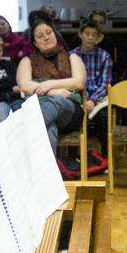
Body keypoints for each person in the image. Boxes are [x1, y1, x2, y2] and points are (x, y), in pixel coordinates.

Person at [15, 16, 85, 156]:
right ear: (34, 42)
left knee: (56, 102)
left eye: (49, 33)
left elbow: (79, 82)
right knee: (48, 128)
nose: (46, 37)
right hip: (45, 110)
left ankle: (17, 133)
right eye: (40, 36)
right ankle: (47, 176)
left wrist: (49, 84)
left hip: (69, 110)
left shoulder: (72, 57)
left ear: (55, 34)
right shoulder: (27, 61)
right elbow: (24, 86)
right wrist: (54, 91)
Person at [70, 17, 112, 155]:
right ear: (80, 34)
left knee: (104, 117)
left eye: (94, 35)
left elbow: (105, 83)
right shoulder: (71, 56)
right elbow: (69, 81)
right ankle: (74, 157)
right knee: (70, 114)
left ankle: (105, 156)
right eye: (87, 34)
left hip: (97, 99)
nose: (90, 38)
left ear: (98, 38)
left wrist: (92, 101)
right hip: (77, 97)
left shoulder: (104, 56)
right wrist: (83, 100)